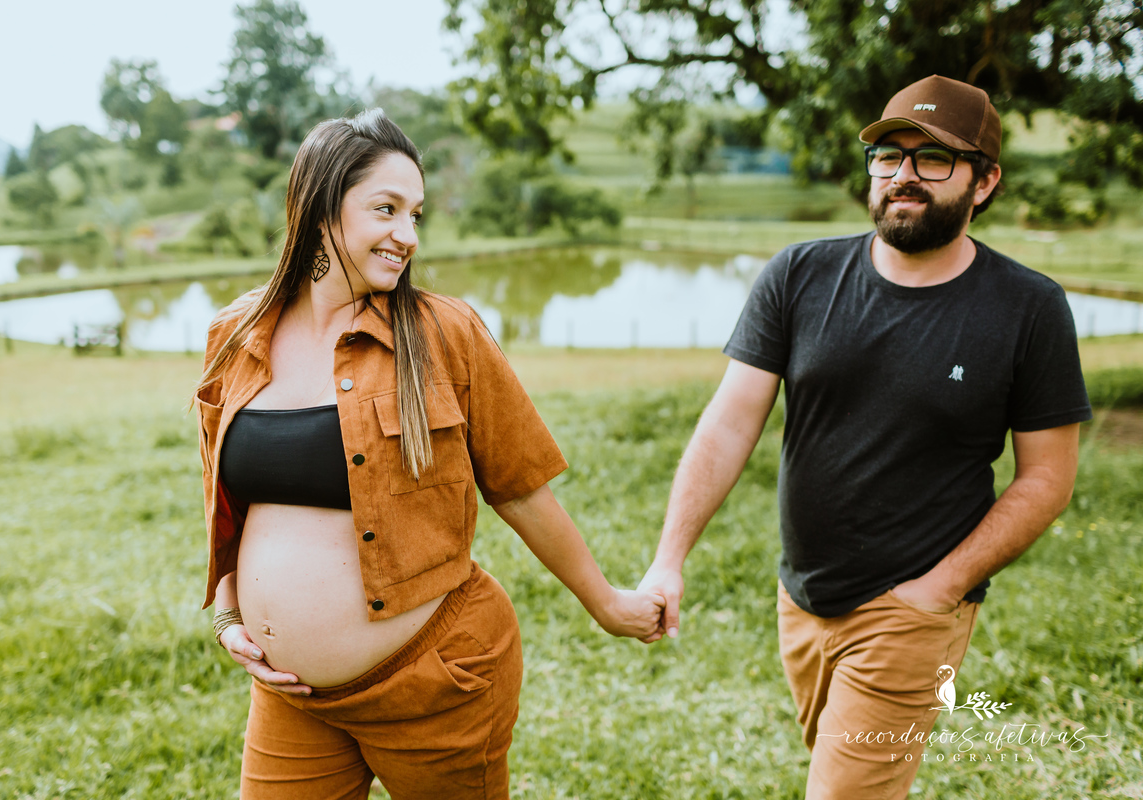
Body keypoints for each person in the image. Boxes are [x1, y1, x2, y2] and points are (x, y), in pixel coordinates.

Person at [636, 75, 1091, 798]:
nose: (903, 174)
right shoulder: (799, 275)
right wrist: (669, 558)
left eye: (933, 158)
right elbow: (729, 422)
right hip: (802, 598)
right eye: (888, 155)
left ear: (984, 181)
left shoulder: (1028, 308)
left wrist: (939, 590)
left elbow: (1048, 478)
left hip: (913, 610)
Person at [193, 109, 664, 800]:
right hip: (292, 700)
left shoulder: (445, 333)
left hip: (436, 684)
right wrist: (230, 612)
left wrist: (608, 604)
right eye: (386, 209)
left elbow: (521, 489)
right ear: (321, 209)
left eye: (415, 215)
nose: (407, 236)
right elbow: (228, 497)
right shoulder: (237, 334)